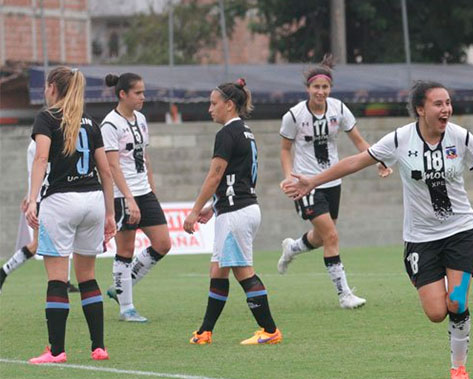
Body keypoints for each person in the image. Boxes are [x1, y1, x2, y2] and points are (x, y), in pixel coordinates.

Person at [283, 80, 473, 379]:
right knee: (436, 312)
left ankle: (459, 367)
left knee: (457, 301)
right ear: (420, 109)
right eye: (439, 104)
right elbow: (355, 162)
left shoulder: (461, 137)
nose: (447, 109)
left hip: (461, 231)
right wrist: (312, 181)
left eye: (448, 103)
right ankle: (439, 286)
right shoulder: (400, 139)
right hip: (420, 239)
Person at [275, 56, 390, 309]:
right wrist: (288, 176)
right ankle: (344, 295)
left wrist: (378, 160)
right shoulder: (294, 115)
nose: (320, 92)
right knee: (332, 236)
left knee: (321, 237)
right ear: (308, 89)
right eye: (316, 87)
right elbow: (284, 150)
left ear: (330, 89)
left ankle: (293, 247)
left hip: (331, 182)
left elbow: (359, 142)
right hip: (305, 183)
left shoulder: (339, 109)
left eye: (325, 87)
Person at [25, 66, 116, 364]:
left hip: (61, 202)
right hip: (92, 202)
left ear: (53, 87)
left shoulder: (47, 117)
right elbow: (106, 170)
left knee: (57, 279)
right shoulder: (91, 122)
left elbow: (40, 158)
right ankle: (98, 347)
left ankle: (56, 351)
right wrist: (110, 214)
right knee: (88, 277)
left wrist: (32, 199)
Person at [183, 78, 282, 346]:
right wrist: (213, 207)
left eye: (214, 104)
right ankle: (205, 331)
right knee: (218, 270)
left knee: (243, 271)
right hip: (239, 208)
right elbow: (237, 179)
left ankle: (270, 329)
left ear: (229, 105)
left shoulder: (227, 133)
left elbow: (215, 175)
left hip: (237, 213)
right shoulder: (245, 132)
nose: (209, 109)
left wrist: (193, 212)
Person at [101, 72, 172, 322]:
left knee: (163, 243)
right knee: (126, 249)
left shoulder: (141, 119)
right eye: (138, 93)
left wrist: (151, 189)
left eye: (143, 92)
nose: (143, 96)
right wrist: (129, 199)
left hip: (144, 192)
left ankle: (121, 286)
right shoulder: (110, 124)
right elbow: (112, 167)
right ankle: (126, 308)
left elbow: (145, 157)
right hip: (123, 195)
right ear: (123, 94)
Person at [1, 140, 78, 295]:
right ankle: (3, 272)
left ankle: (66, 282)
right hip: (45, 198)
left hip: (50, 196)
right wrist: (32, 199)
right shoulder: (37, 144)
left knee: (60, 239)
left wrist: (29, 196)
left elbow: (34, 173)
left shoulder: (43, 140)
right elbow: (36, 171)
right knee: (37, 244)